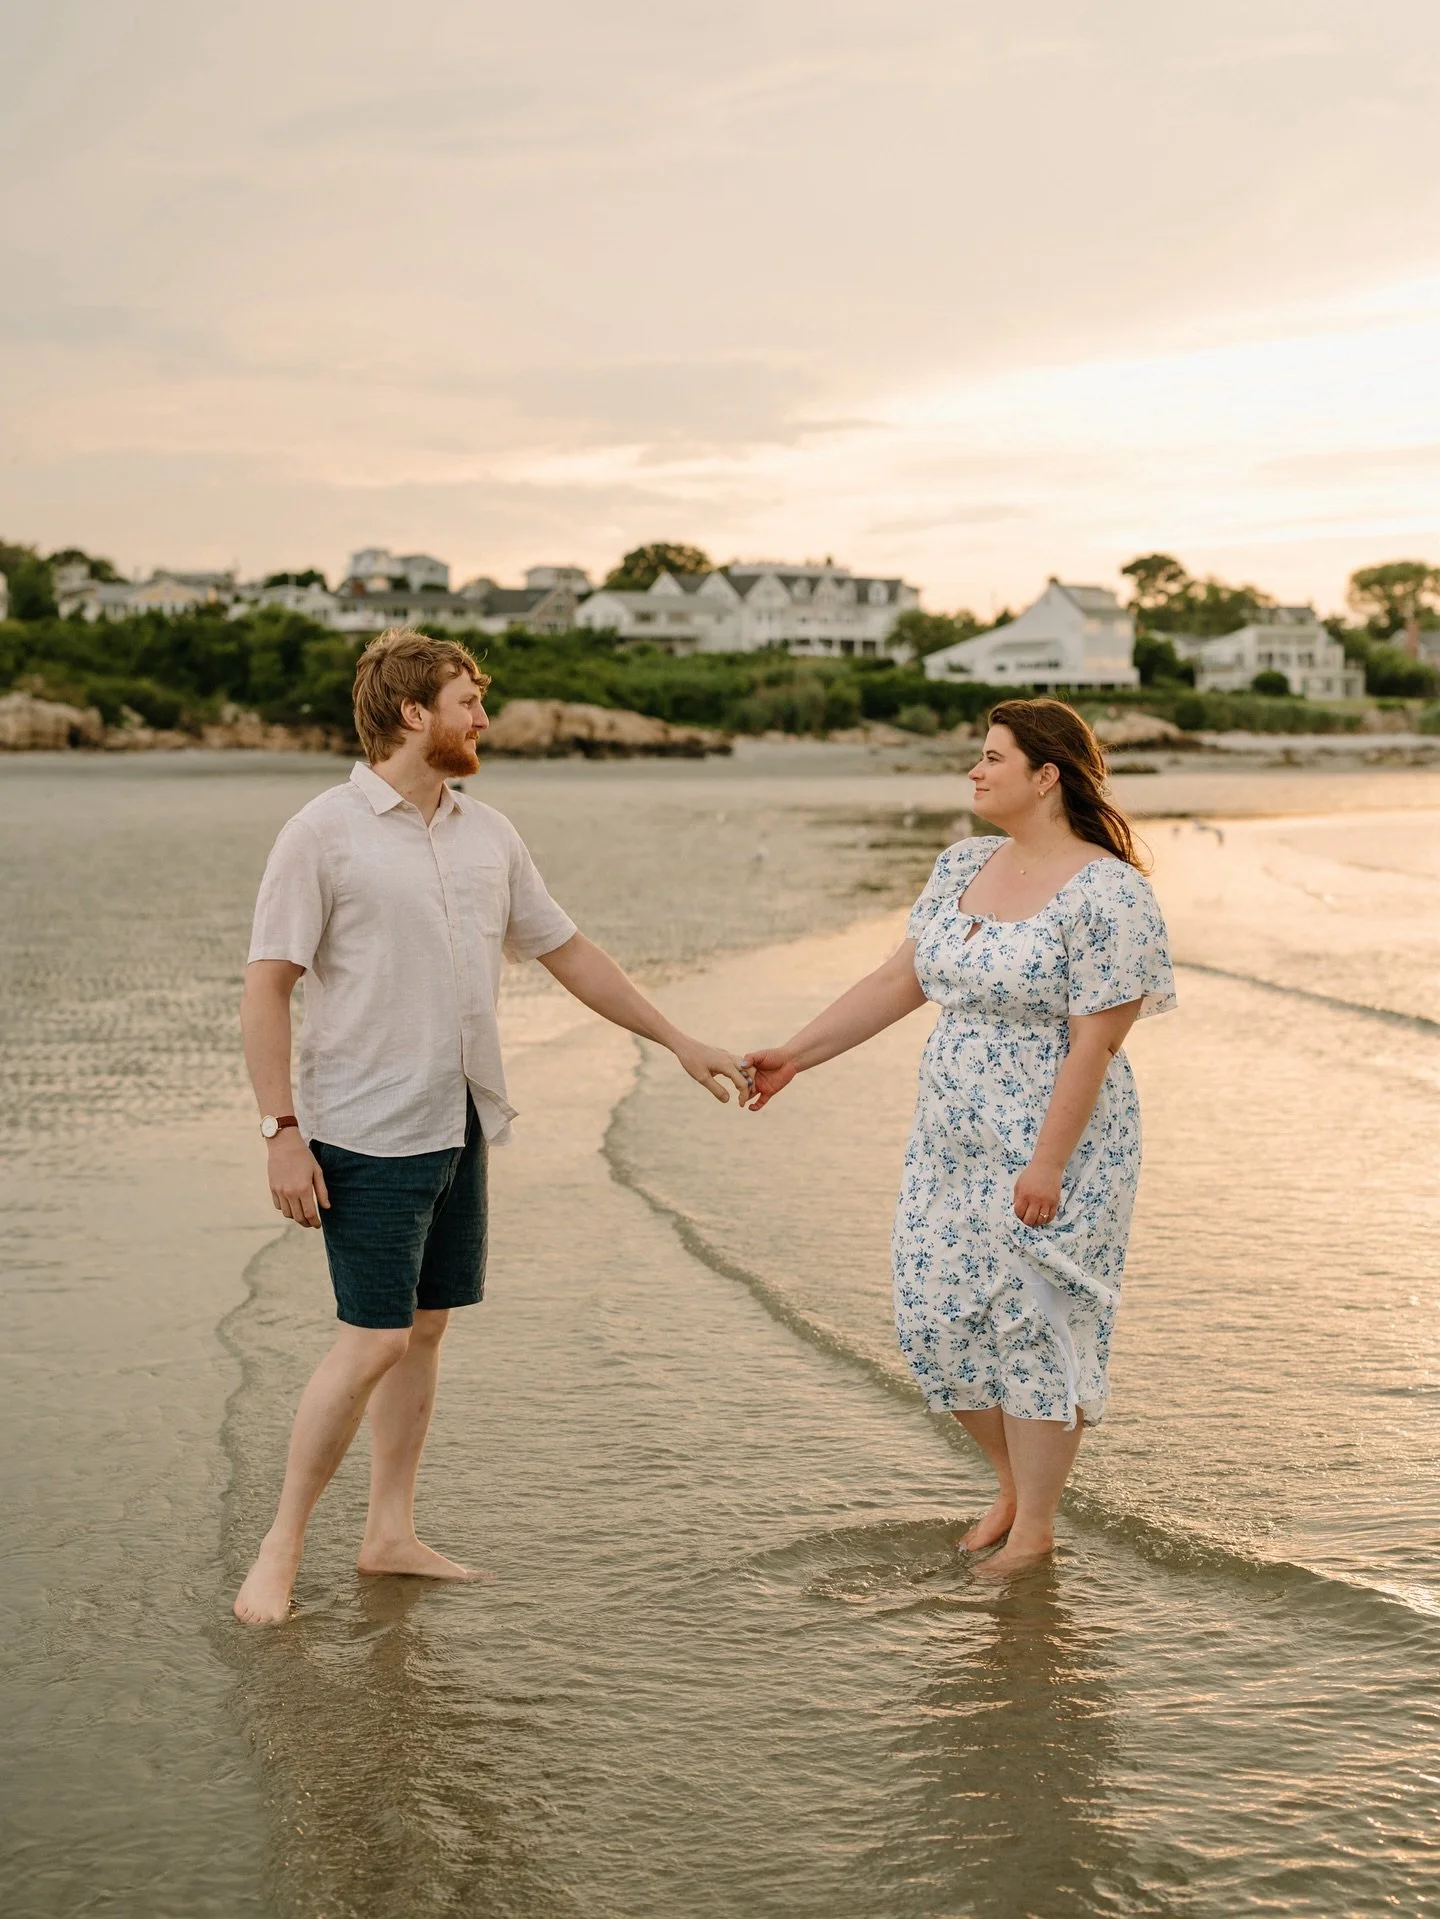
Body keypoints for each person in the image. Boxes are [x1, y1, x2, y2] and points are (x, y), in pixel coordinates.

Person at [233, 627, 749, 1625]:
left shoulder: (487, 832)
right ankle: (280, 1544)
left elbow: (569, 951)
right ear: (414, 712)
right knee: (372, 1336)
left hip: (459, 1116)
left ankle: (389, 1531)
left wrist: (678, 1038)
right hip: (364, 1127)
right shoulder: (323, 831)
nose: (485, 716)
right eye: (469, 699)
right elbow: (266, 987)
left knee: (425, 1329)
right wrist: (278, 1129)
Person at [742, 699, 1174, 1576]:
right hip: (950, 1139)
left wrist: (1047, 1162)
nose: (974, 772)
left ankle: (1038, 1524)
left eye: (991, 758)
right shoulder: (963, 865)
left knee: (1036, 1322)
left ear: (1046, 775)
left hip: (1062, 1140)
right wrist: (796, 1054)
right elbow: (899, 980)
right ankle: (1014, 1484)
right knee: (934, 1316)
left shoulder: (1110, 892)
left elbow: (1098, 1038)